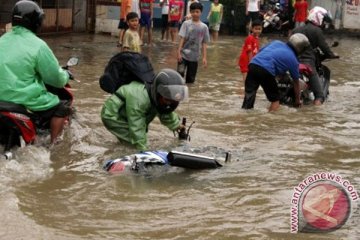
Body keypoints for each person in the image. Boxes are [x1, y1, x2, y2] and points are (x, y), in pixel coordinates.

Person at [0, 0, 71, 144]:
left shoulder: (2, 40)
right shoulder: (38, 45)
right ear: (36, 21)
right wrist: (66, 75)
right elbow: (55, 78)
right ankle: (54, 145)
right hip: (22, 100)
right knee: (61, 108)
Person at [101, 69, 188, 151]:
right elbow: (137, 126)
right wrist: (144, 151)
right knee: (133, 144)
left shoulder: (157, 99)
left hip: (127, 114)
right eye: (167, 99)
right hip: (112, 115)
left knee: (134, 140)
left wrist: (177, 126)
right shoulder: (140, 99)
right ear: (158, 93)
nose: (169, 103)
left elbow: (165, 112)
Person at [242, 33, 310, 112]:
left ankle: (245, 117)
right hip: (266, 70)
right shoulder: (293, 60)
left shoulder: (276, 42)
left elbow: (260, 51)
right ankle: (270, 121)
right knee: (275, 101)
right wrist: (297, 101)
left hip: (253, 64)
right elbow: (296, 82)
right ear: (301, 49)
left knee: (249, 96)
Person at [292, 6, 339, 105]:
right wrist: (332, 55)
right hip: (308, 64)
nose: (323, 23)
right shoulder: (316, 31)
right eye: (323, 20)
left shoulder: (296, 29)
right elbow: (324, 47)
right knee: (320, 95)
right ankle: (316, 113)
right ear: (319, 17)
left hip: (292, 62)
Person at [177, 2, 210, 84]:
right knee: (179, 76)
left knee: (190, 80)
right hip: (183, 55)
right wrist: (178, 52)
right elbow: (182, 38)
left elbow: (204, 43)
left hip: (195, 57)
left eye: (197, 12)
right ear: (190, 12)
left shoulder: (204, 27)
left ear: (201, 12)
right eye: (193, 11)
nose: (195, 14)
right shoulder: (186, 24)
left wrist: (204, 57)